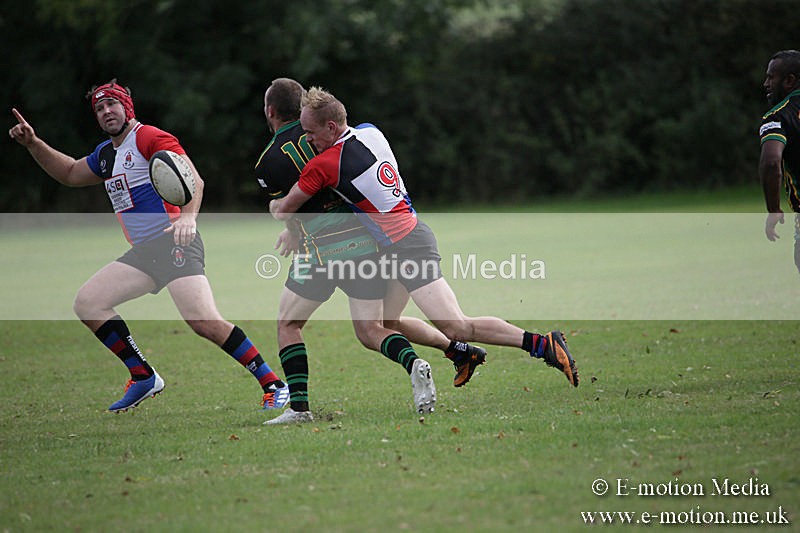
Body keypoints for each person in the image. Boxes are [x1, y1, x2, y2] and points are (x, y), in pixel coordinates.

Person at [8, 79, 289, 412]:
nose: (106, 111)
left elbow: (194, 179)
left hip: (174, 243)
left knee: (204, 322)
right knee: (89, 303)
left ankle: (273, 383)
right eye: (99, 108)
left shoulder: (148, 137)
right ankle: (143, 376)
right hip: (144, 252)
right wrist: (34, 144)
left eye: (111, 104)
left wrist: (187, 219)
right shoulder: (105, 156)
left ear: (127, 107)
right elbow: (69, 173)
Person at [270, 87, 580, 387]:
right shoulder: (370, 131)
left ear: (331, 126)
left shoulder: (324, 165)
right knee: (386, 326)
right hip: (398, 243)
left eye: (310, 133)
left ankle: (542, 344)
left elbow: (286, 209)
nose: (307, 140)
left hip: (409, 247)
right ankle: (462, 355)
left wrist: (274, 206)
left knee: (457, 325)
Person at [256, 78, 485, 423]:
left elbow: (291, 207)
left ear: (270, 112)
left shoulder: (268, 161)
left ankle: (299, 408)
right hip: (368, 245)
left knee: (289, 322)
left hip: (317, 254)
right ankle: (438, 355)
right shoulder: (340, 136)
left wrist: (287, 226)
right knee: (375, 327)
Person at [759, 49, 800, 275]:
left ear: (789, 80)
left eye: (771, 77)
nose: (766, 83)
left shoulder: (779, 116)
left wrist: (773, 209)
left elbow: (771, 162)